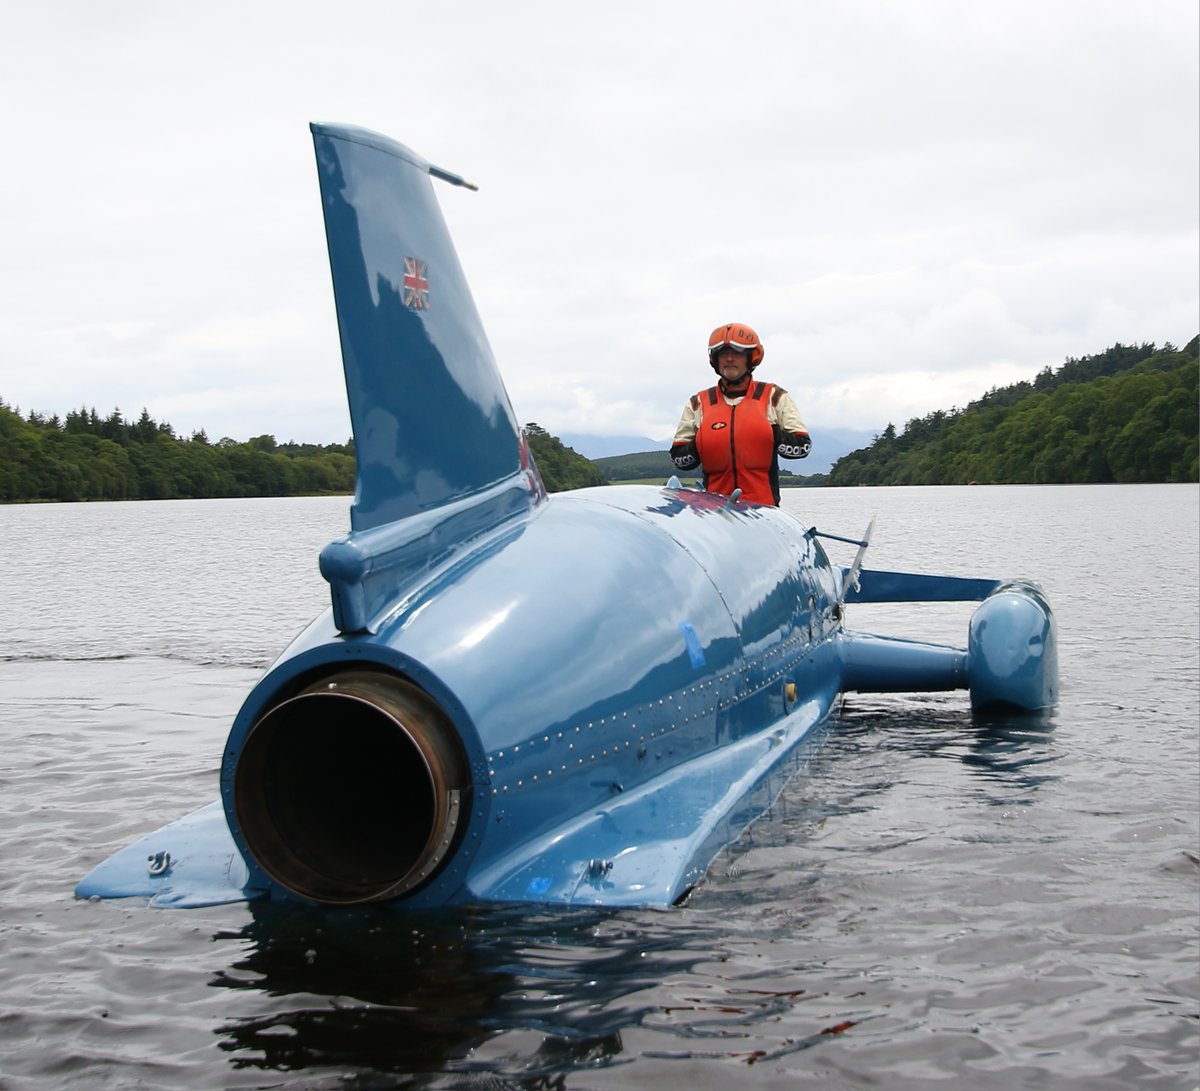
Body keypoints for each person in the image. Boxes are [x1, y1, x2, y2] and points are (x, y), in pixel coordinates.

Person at [669, 322, 811, 505]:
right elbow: (680, 460)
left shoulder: (774, 396)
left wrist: (772, 434)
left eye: (736, 353)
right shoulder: (698, 403)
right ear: (715, 359)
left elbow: (802, 448)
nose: (729, 359)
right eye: (723, 354)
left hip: (764, 511)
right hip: (714, 513)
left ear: (751, 358)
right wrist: (702, 442)